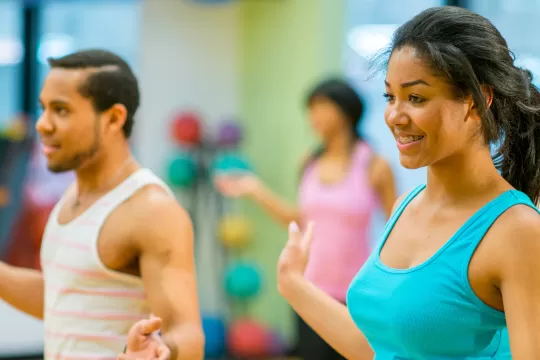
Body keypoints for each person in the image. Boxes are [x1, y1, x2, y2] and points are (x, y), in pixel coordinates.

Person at [277, 5, 540, 359]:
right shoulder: (406, 205)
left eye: (415, 97)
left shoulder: (518, 231)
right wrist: (293, 284)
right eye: (390, 96)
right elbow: (379, 349)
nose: (394, 116)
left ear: (478, 100)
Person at [0, 49, 204, 360]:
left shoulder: (151, 210)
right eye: (43, 108)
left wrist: (160, 352)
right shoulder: (72, 196)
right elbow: (65, 298)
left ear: (113, 118)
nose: (42, 124)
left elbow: (186, 335)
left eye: (61, 110)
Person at [215, 78, 396, 359]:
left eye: (321, 108)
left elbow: (395, 229)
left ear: (346, 111)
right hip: (309, 289)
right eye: (311, 109)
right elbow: (301, 220)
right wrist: (255, 189)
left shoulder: (374, 165)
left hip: (357, 295)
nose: (313, 117)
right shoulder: (308, 162)